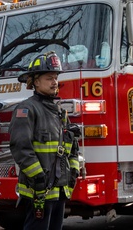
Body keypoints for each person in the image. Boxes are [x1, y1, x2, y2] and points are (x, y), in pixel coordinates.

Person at [9, 51, 80, 230]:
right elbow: (21, 147)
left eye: (55, 77)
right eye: (49, 78)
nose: (54, 82)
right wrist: (38, 177)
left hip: (59, 190)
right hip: (37, 191)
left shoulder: (60, 112)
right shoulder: (26, 109)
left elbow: (71, 147)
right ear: (36, 81)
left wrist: (73, 171)